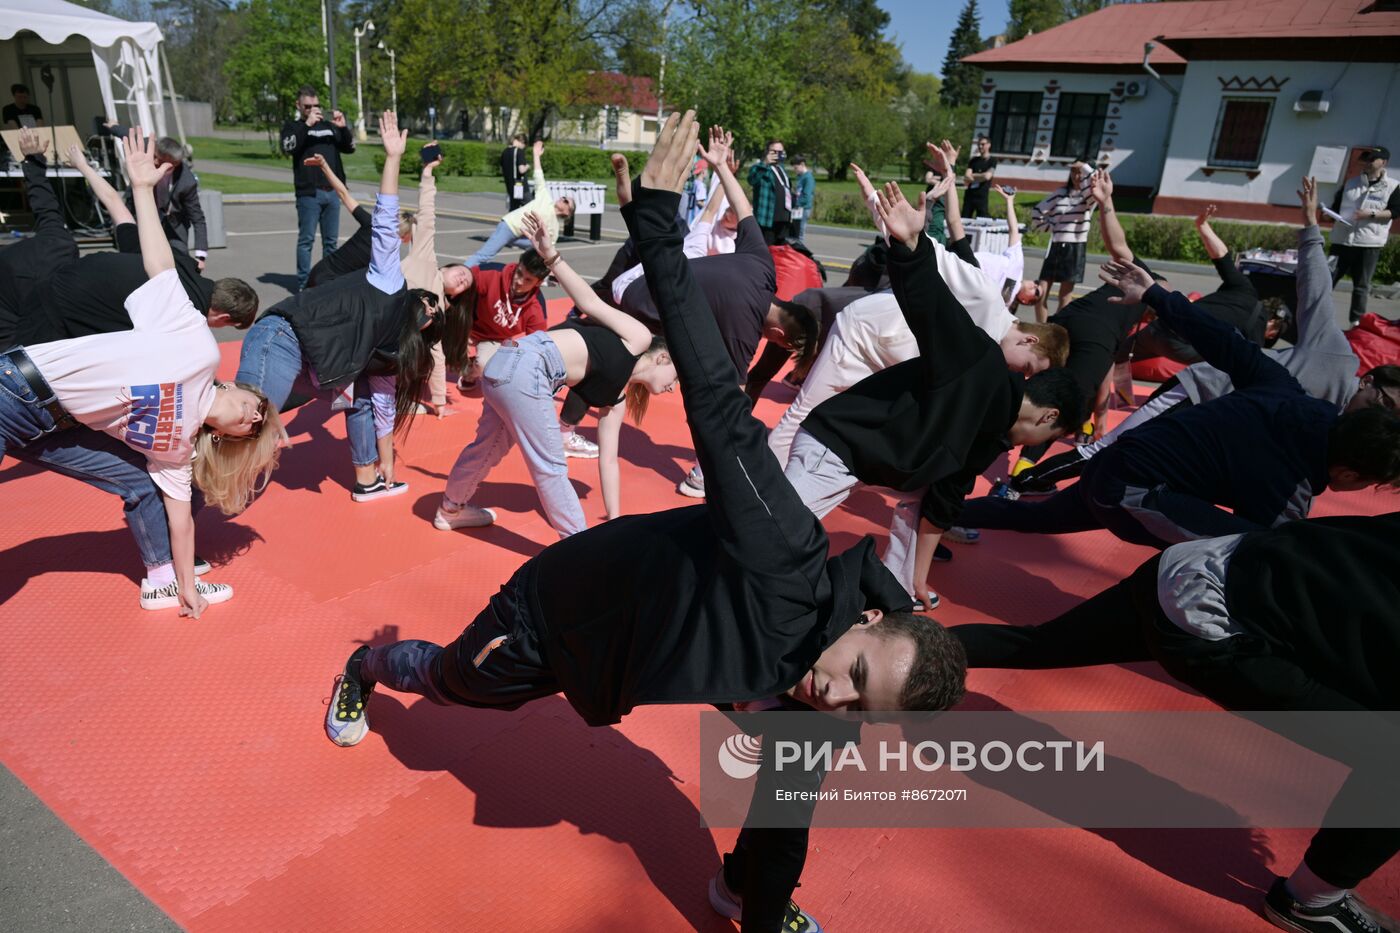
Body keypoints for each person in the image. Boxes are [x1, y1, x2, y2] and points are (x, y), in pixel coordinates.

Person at [324, 111, 969, 933]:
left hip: (626, 654)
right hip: (558, 610)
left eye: (857, 707)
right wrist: (659, 229)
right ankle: (365, 664)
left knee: (786, 787)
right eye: (856, 673)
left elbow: (787, 820)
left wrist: (761, 910)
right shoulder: (784, 553)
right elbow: (715, 403)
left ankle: (736, 889)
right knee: (454, 683)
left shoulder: (834, 700)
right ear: (870, 622)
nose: (832, 692)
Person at [951, 511, 1400, 933]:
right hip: (1216, 624)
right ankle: (1309, 901)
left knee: (1039, 645)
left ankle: (895, 647)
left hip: (1199, 565)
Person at [0, 128, 283, 616]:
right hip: (15, 388)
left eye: (251, 431)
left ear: (226, 438)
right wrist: (141, 188)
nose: (251, 419)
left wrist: (186, 587)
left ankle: (163, 580)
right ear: (240, 387)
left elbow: (182, 523)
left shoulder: (175, 454)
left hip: (47, 425)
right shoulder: (199, 348)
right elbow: (157, 263)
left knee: (137, 479)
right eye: (259, 409)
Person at [780, 178, 1082, 609]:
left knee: (918, 500)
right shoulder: (981, 363)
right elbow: (933, 308)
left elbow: (941, 505)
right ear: (1048, 417)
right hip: (838, 444)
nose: (1031, 450)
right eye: (1046, 441)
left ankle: (899, 590)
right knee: (767, 536)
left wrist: (917, 582)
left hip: (869, 461)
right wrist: (910, 246)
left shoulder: (990, 436)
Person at [955, 259, 1400, 549]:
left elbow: (1221, 341)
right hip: (1128, 485)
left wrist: (1155, 295)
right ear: (1348, 472)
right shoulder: (1290, 486)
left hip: (1128, 470)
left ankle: (941, 509)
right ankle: (1172, 623)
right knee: (1260, 548)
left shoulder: (1281, 386)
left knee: (1039, 519)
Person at [1012, 177, 1374, 496]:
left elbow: (1219, 257)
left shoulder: (1329, 412)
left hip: (1188, 359)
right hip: (1193, 364)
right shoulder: (1226, 304)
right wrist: (1310, 226)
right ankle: (1025, 475)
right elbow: (1304, 286)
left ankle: (1050, 460)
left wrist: (1202, 229)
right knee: (1098, 427)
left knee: (1113, 413)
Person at [433, 210, 677, 536]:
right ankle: (580, 552)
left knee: (489, 447)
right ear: (662, 359)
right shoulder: (640, 338)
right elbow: (589, 301)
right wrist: (551, 257)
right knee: (550, 467)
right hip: (528, 365)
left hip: (508, 366)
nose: (674, 388)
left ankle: (450, 510)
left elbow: (608, 461)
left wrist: (614, 521)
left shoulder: (615, 397)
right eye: (676, 378)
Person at [237, 112, 440, 502]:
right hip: (290, 330)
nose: (429, 312)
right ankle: (191, 476)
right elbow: (382, 219)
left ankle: (366, 482)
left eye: (432, 316)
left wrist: (388, 470)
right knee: (247, 423)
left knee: (347, 400)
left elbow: (381, 408)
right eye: (429, 306)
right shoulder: (390, 283)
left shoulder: (384, 352)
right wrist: (393, 158)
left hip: (316, 349)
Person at [303, 153, 416, 290]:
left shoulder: (372, 224)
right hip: (330, 285)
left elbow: (343, 194)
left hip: (320, 270)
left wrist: (324, 165)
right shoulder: (387, 253)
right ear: (405, 236)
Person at [281, 85, 356, 289]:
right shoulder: (294, 127)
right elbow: (288, 147)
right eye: (308, 106)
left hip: (332, 192)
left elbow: (349, 148)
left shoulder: (329, 127)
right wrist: (306, 125)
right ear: (299, 105)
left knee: (331, 242)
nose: (313, 109)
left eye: (316, 105)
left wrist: (343, 128)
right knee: (306, 241)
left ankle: (327, 282)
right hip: (309, 193)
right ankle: (304, 284)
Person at [465, 139, 575, 267]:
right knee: (485, 255)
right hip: (510, 226)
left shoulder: (554, 227)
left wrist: (556, 266)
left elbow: (550, 247)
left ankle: (537, 275)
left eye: (566, 201)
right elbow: (539, 175)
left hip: (522, 236)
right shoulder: (545, 198)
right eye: (563, 197)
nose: (562, 199)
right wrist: (536, 155)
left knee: (540, 249)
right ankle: (463, 270)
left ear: (567, 211)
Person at [1330, 146, 1399, 324]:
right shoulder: (1350, 184)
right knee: (1327, 281)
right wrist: (1328, 214)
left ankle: (1356, 324)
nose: (1367, 163)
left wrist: (1371, 214)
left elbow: (1395, 211)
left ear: (1383, 162)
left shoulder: (1393, 186)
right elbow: (1336, 207)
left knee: (1361, 287)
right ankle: (1317, 317)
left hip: (1369, 244)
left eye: (1372, 159)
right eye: (1366, 159)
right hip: (1341, 242)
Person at [1030, 161, 1096, 323]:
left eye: (1080, 172)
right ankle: (1042, 328)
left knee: (1065, 297)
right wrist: (1049, 226)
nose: (1077, 176)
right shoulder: (1060, 193)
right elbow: (1037, 212)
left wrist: (1085, 166)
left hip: (1075, 248)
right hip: (1055, 246)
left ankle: (1056, 330)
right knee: (1041, 293)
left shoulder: (1089, 196)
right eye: (1073, 171)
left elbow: (1095, 178)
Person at [748, 138, 794, 245]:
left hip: (783, 220)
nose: (778, 154)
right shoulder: (760, 167)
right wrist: (764, 163)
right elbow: (752, 179)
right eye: (774, 151)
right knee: (766, 252)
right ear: (767, 152)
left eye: (780, 152)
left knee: (779, 254)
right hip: (768, 220)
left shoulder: (781, 169)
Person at [962, 135, 997, 219]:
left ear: (989, 145)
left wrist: (973, 175)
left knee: (982, 218)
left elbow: (987, 176)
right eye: (979, 144)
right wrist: (980, 176)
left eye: (983, 144)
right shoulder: (973, 160)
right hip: (970, 195)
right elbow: (967, 176)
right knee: (965, 218)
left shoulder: (992, 160)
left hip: (982, 195)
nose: (980, 146)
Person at [500, 132, 530, 210]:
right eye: (524, 146)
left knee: (514, 207)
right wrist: (527, 166)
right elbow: (521, 170)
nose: (524, 148)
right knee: (530, 206)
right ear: (522, 142)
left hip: (509, 184)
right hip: (519, 184)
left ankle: (510, 222)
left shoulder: (505, 152)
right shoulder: (519, 151)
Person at [791, 155, 815, 244]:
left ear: (802, 164)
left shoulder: (808, 178)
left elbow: (806, 195)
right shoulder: (801, 176)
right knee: (795, 232)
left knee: (800, 233)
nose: (795, 170)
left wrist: (796, 203)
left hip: (803, 208)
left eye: (796, 168)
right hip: (798, 208)